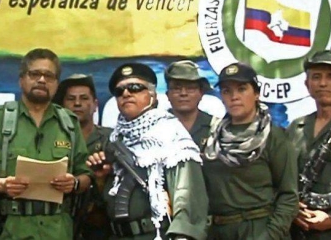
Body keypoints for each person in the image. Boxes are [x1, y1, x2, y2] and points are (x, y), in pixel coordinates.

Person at [0, 48, 93, 240]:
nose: (42, 80)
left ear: (56, 84)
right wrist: (0, 185)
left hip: (58, 231)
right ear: (21, 79)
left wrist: (74, 183)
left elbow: (86, 176)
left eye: (49, 76)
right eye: (35, 74)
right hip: (12, 230)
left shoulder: (69, 123)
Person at [87, 62, 208, 240]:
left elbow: (188, 198)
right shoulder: (114, 141)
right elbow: (104, 205)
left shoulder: (170, 134)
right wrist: (100, 180)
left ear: (152, 95)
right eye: (119, 91)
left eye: (135, 88)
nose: (126, 94)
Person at [202, 62, 298, 239]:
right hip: (219, 231)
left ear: (256, 94)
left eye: (242, 89)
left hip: (260, 228)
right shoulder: (212, 139)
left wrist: (271, 235)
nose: (234, 97)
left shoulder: (273, 137)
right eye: (226, 91)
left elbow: (289, 195)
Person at [287, 50, 331, 239]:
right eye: (316, 77)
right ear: (307, 85)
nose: (322, 83)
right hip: (296, 231)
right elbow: (279, 179)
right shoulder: (296, 128)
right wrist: (292, 208)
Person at [53, 73, 112, 239]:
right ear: (62, 105)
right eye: (71, 99)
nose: (77, 103)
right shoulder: (51, 139)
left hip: (101, 225)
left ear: (95, 105)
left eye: (84, 98)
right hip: (60, 223)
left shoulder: (111, 139)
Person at [165, 60, 218, 148]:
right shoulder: (156, 125)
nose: (183, 93)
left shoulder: (216, 127)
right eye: (177, 88)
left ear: (201, 93)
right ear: (168, 94)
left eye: (190, 88)